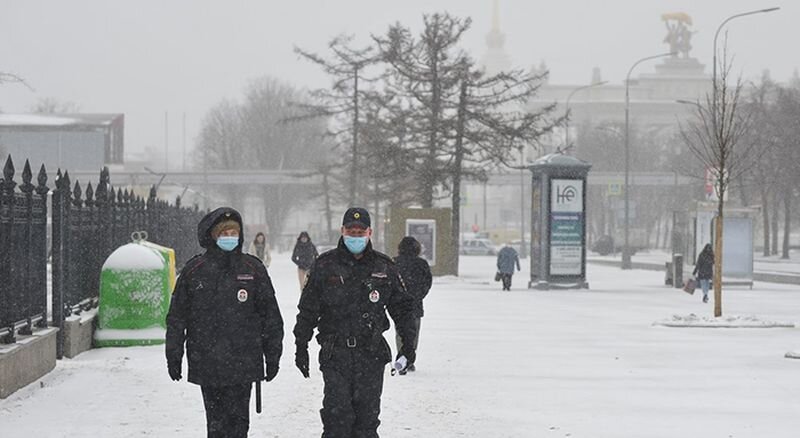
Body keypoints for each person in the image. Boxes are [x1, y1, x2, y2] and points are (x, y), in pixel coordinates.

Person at [293, 207, 418, 437]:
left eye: (361, 232)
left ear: (369, 232)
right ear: (342, 231)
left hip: (370, 354)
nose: (356, 236)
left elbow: (403, 308)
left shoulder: (383, 266)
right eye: (351, 231)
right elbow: (308, 309)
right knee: (336, 419)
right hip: (335, 354)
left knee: (366, 422)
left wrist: (408, 345)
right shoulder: (325, 265)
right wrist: (301, 344)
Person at [165, 207, 284, 438]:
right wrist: (174, 354)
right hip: (208, 361)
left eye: (234, 232)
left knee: (239, 425)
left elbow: (270, 316)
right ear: (212, 234)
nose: (230, 236)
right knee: (216, 425)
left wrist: (273, 355)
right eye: (224, 232)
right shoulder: (194, 271)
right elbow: (177, 317)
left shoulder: (253, 268)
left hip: (244, 361)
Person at [393, 236, 432, 374]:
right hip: (415, 304)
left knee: (400, 332)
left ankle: (401, 355)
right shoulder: (421, 264)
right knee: (413, 332)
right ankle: (409, 358)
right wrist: (418, 295)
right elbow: (427, 283)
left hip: (398, 304)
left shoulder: (394, 262)